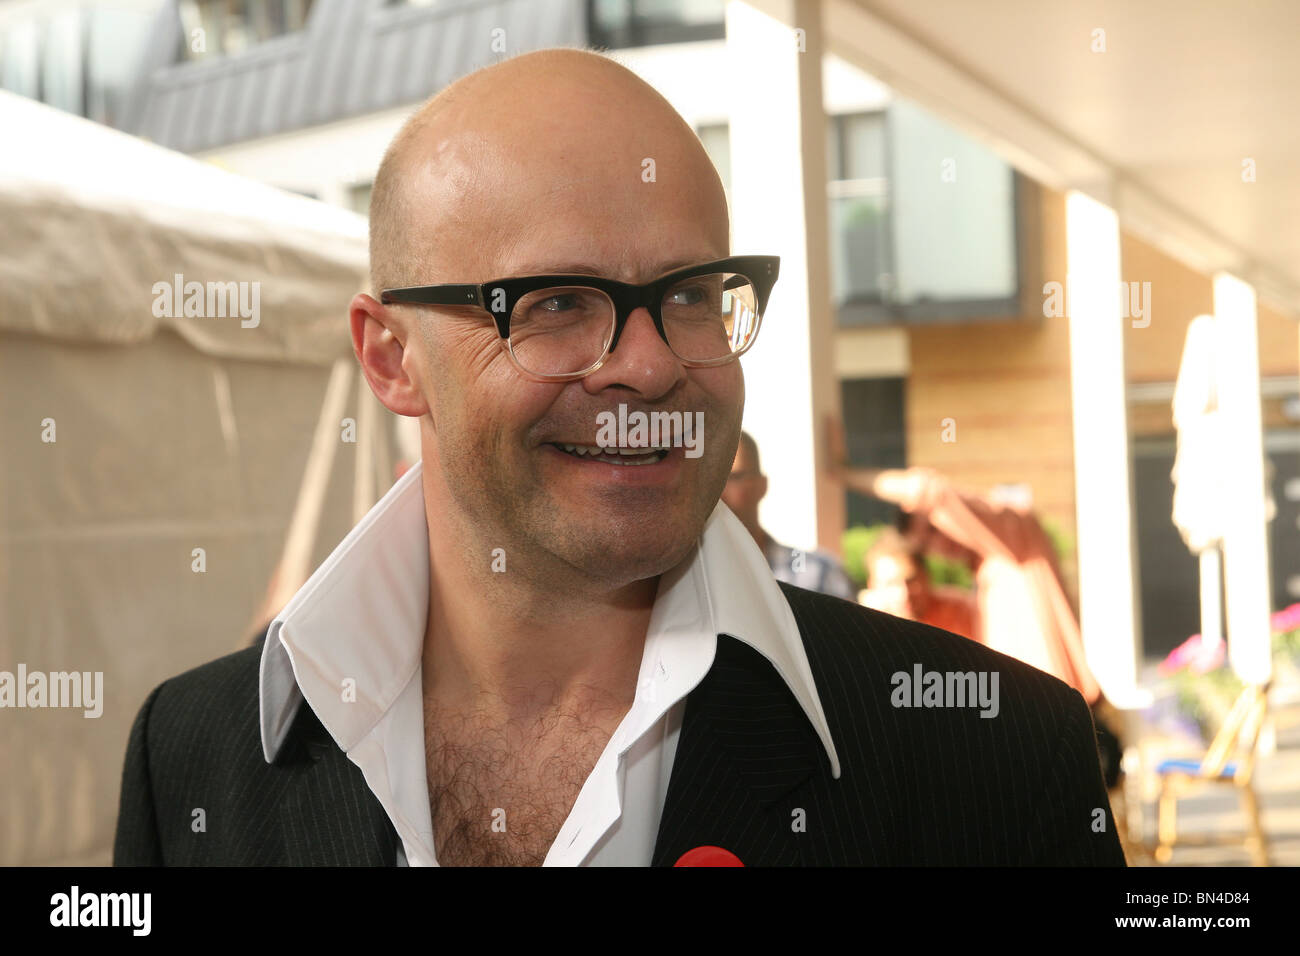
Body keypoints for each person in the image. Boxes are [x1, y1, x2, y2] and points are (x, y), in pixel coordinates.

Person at [113, 49, 1123, 866]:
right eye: (554, 302)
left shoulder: (992, 761)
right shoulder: (196, 759)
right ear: (392, 357)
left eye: (690, 294)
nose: (647, 365)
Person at [721, 431, 857, 601]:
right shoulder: (683, 587)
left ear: (762, 486)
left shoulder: (818, 576)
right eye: (709, 480)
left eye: (732, 477)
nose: (719, 494)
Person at [860, 527, 977, 641]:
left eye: (911, 581)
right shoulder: (867, 632)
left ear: (927, 577)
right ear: (873, 585)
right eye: (891, 584)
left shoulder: (961, 612)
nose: (904, 594)